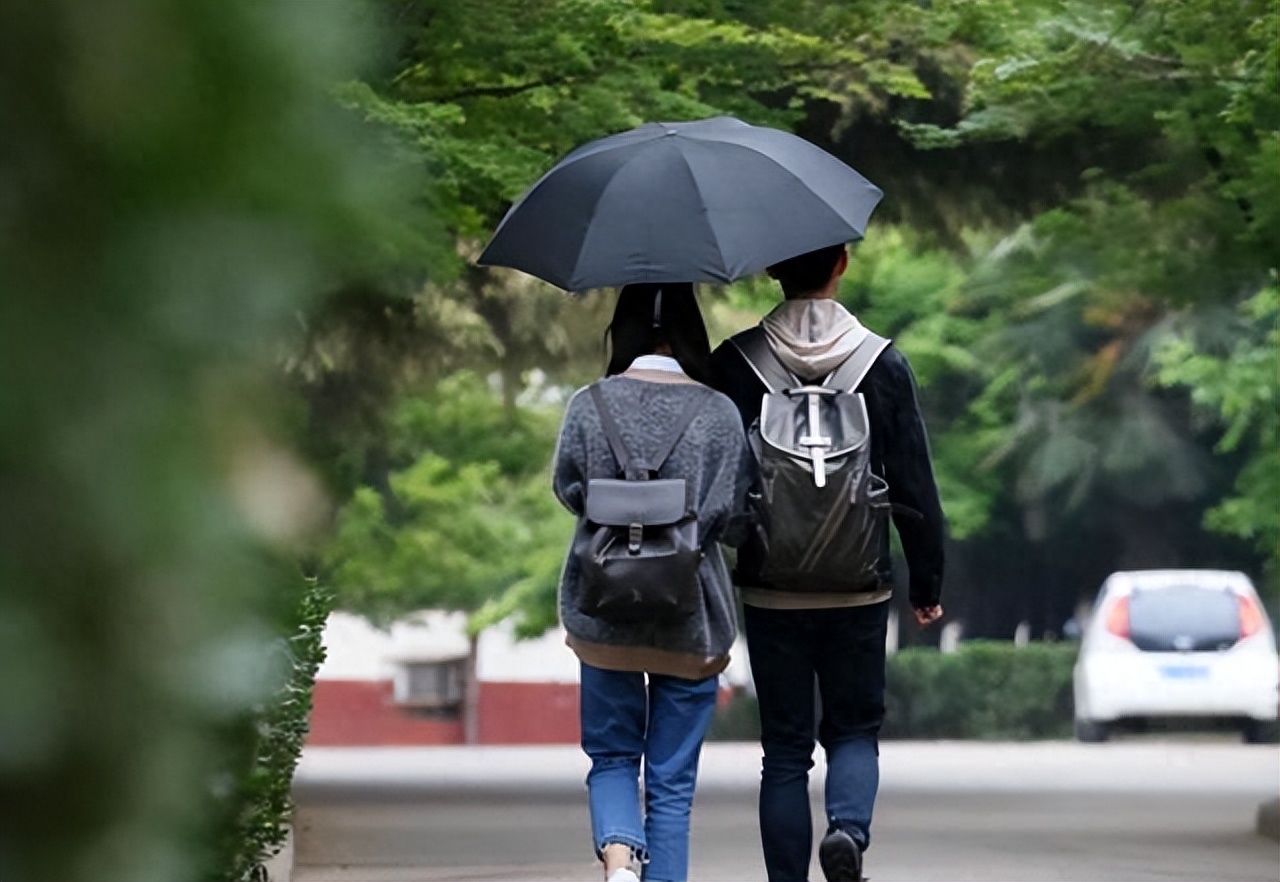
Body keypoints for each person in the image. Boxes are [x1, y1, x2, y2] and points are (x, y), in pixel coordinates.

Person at [709, 243, 945, 882]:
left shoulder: (735, 364)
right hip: (858, 584)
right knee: (853, 729)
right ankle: (847, 830)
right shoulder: (884, 363)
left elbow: (715, 474)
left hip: (770, 584)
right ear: (842, 263)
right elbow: (915, 483)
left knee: (784, 750)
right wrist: (926, 582)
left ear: (772, 269)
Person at [553, 283, 754, 882]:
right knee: (670, 786)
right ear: (692, 334)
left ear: (623, 331)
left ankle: (619, 858)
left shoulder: (589, 404)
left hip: (602, 612)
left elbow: (569, 491)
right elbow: (737, 517)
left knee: (613, 756)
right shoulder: (719, 412)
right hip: (691, 618)